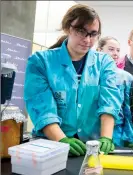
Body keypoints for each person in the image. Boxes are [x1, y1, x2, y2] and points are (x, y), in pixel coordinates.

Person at [24, 4, 121, 156]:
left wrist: (106, 137)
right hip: (51, 144)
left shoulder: (104, 63)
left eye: (93, 34)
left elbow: (109, 102)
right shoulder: (41, 61)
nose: (87, 40)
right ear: (68, 28)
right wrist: (61, 140)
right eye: (81, 31)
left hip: (91, 145)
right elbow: (42, 107)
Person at [96, 36, 133, 147]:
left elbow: (129, 110)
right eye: (111, 49)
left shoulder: (126, 77)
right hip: (90, 132)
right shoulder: (90, 76)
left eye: (118, 50)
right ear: (99, 50)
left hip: (116, 134)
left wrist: (130, 137)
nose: (115, 54)